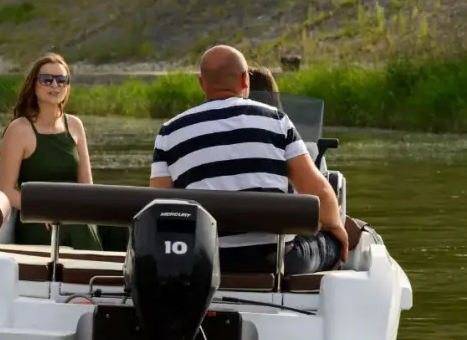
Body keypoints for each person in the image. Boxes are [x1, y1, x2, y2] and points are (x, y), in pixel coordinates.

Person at [148, 45, 348, 275]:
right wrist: (335, 227)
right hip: (273, 262)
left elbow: (159, 208)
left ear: (202, 84)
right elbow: (319, 192)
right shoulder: (277, 121)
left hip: (203, 265)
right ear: (245, 81)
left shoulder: (169, 132)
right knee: (331, 239)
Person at [0, 52, 103, 251]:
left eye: (61, 80)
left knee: (124, 229)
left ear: (68, 86)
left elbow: (87, 186)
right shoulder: (19, 129)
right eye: (47, 80)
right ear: (34, 85)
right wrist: (45, 210)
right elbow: (6, 190)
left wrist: (77, 211)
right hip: (37, 218)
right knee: (78, 228)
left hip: (73, 212)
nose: (55, 85)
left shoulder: (75, 125)